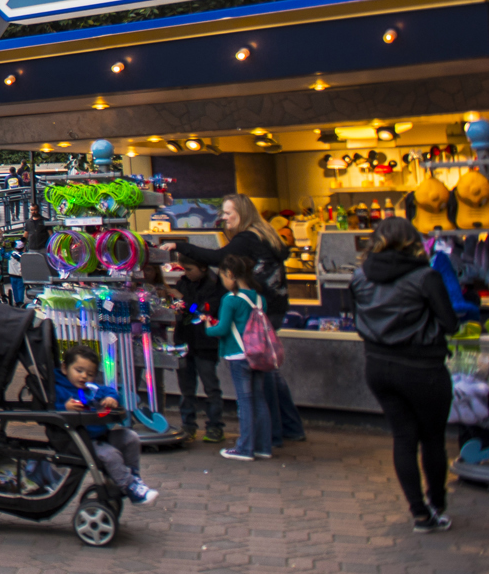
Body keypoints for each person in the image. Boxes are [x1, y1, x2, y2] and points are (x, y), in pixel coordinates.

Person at [350, 216, 460, 531]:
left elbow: (358, 321)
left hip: (379, 367)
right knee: (432, 440)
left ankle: (419, 513)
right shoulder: (426, 277)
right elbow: (450, 323)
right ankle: (436, 504)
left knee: (403, 437)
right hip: (423, 368)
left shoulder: (359, 277)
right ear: (413, 242)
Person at [174, 193, 305, 446]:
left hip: (251, 316)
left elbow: (216, 259)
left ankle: (267, 436)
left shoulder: (246, 239)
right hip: (270, 306)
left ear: (241, 214)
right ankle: (287, 427)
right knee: (270, 371)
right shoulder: (265, 235)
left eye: (227, 212)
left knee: (258, 378)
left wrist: (180, 246)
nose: (223, 217)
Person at [53, 345, 159, 504]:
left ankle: (133, 477)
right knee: (110, 455)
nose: (83, 377)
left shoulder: (92, 389)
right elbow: (51, 410)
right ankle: (129, 486)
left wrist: (112, 399)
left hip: (100, 436)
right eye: (79, 370)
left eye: (90, 374)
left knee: (131, 437)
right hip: (78, 441)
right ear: (65, 368)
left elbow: (109, 391)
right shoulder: (59, 390)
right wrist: (64, 408)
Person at [207, 253, 272, 461]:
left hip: (238, 354)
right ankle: (263, 446)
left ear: (230, 274)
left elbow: (223, 329)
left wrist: (209, 327)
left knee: (244, 401)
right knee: (260, 400)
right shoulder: (260, 298)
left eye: (223, 277)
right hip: (258, 354)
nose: (223, 282)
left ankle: (245, 448)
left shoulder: (231, 300)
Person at [167, 258, 226, 442]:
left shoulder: (215, 286)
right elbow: (181, 309)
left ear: (203, 267)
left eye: (190, 269)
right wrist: (176, 304)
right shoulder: (184, 282)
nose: (187, 273)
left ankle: (215, 426)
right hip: (185, 340)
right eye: (185, 269)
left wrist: (182, 300)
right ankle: (188, 425)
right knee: (186, 388)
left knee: (211, 387)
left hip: (205, 343)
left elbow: (202, 310)